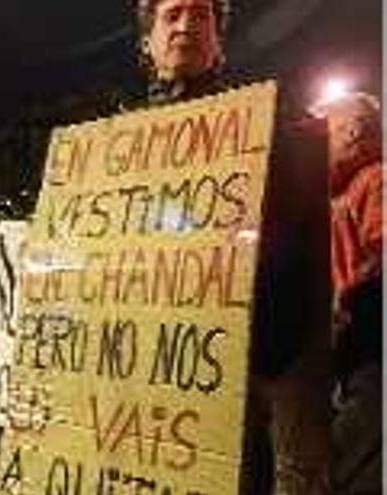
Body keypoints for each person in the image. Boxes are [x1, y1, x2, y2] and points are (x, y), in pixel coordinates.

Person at [134, 1, 333, 493]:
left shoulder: (270, 122)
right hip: (156, 363)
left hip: (255, 361)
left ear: (219, 43)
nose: (187, 25)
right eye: (173, 14)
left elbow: (298, 240)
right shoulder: (118, 145)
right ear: (147, 41)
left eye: (201, 15)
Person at [311, 92, 382, 494]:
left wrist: (346, 311)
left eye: (322, 133)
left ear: (353, 131)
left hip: (370, 356)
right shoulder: (337, 196)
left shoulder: (376, 179)